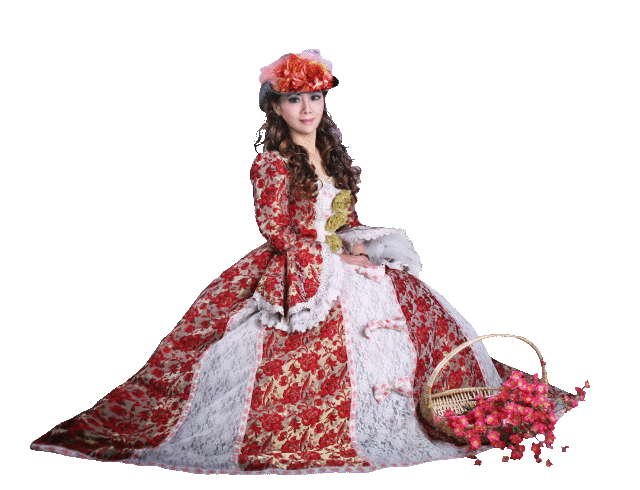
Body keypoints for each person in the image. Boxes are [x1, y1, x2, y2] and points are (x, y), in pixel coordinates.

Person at [31, 49, 566, 474]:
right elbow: (276, 230)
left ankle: (436, 401)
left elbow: (345, 217)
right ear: (276, 107)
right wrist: (333, 259)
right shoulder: (271, 163)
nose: (307, 109)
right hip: (302, 267)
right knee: (272, 358)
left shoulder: (331, 154)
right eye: (294, 99)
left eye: (315, 97)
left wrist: (357, 246)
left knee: (415, 304)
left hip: (337, 256)